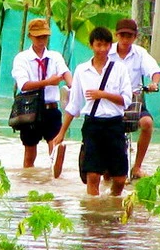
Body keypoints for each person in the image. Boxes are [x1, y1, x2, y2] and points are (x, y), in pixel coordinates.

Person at [52, 26, 132, 196]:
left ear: (110, 46)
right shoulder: (82, 70)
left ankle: (113, 206)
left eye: (105, 45)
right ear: (91, 45)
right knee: (93, 175)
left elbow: (126, 100)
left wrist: (103, 94)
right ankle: (93, 215)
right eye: (98, 45)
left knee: (119, 178)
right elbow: (74, 105)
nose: (102, 49)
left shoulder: (119, 69)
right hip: (92, 125)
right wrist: (62, 133)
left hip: (115, 125)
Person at [11, 18, 72, 173]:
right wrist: (48, 82)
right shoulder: (22, 58)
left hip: (51, 109)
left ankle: (54, 182)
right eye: (38, 37)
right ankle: (28, 182)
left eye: (44, 37)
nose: (41, 40)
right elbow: (24, 85)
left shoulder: (55, 56)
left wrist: (72, 86)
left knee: (56, 148)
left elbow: (65, 72)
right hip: (30, 110)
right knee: (30, 153)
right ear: (30, 36)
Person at [108, 18, 160, 179]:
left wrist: (154, 83)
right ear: (116, 35)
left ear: (135, 37)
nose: (125, 39)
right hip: (111, 99)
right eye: (122, 35)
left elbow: (155, 70)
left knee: (147, 123)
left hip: (135, 99)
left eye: (129, 36)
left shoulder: (140, 53)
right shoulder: (107, 52)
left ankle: (137, 167)